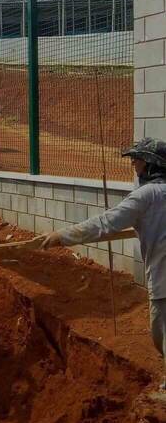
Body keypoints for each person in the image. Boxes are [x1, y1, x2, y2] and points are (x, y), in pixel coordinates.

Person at [41, 137, 166, 389]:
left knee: (161, 334)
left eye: (137, 159)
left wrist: (61, 236)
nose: (133, 163)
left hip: (164, 280)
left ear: (151, 164)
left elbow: (105, 223)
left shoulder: (147, 195)